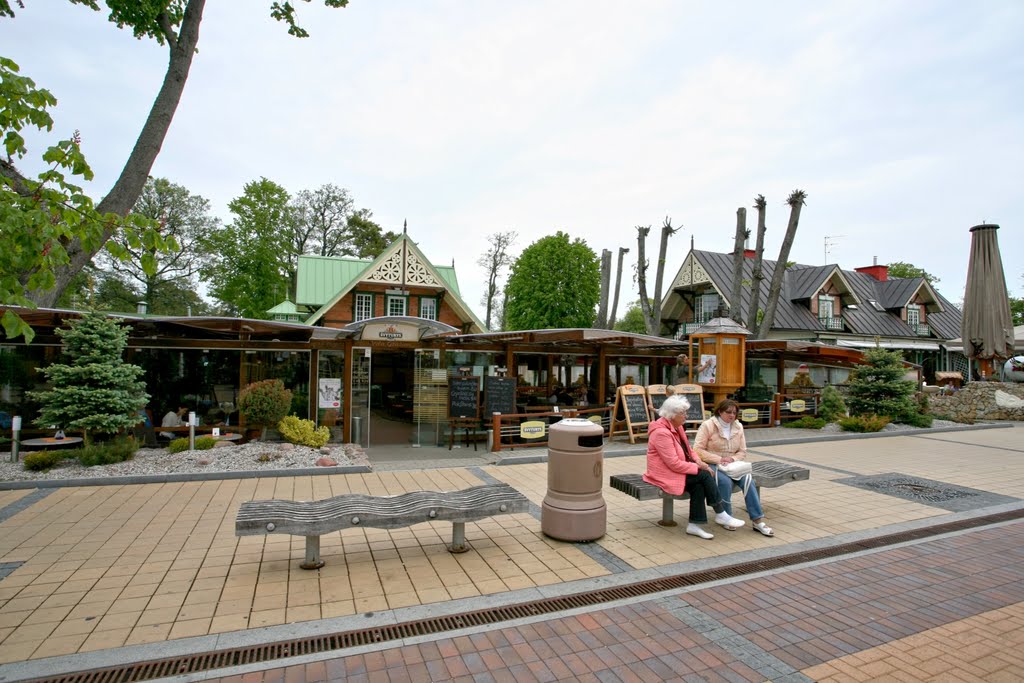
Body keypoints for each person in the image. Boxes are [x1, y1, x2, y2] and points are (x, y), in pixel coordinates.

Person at [643, 394, 745, 539]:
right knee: (703, 476)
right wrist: (699, 469)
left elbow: (690, 451)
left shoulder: (676, 427)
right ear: (671, 415)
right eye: (683, 413)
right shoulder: (661, 433)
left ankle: (694, 525)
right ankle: (721, 513)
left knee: (699, 484)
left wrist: (701, 463)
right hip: (664, 474)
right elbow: (673, 463)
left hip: (676, 471)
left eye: (686, 412)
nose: (686, 416)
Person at [693, 399, 774, 537]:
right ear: (720, 411)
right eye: (728, 412)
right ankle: (727, 516)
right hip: (712, 462)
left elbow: (742, 451)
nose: (732, 415)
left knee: (748, 479)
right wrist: (719, 459)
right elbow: (697, 450)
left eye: (734, 413)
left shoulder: (738, 426)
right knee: (724, 482)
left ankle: (757, 520)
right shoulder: (708, 425)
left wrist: (732, 459)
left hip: (733, 464)